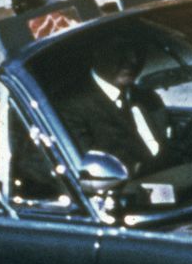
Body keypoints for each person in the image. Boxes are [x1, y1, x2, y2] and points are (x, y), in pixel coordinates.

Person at [54, 37, 170, 175]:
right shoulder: (70, 107)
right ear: (97, 52)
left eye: (139, 51)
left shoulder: (148, 98)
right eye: (121, 50)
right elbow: (93, 171)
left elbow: (169, 145)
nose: (133, 60)